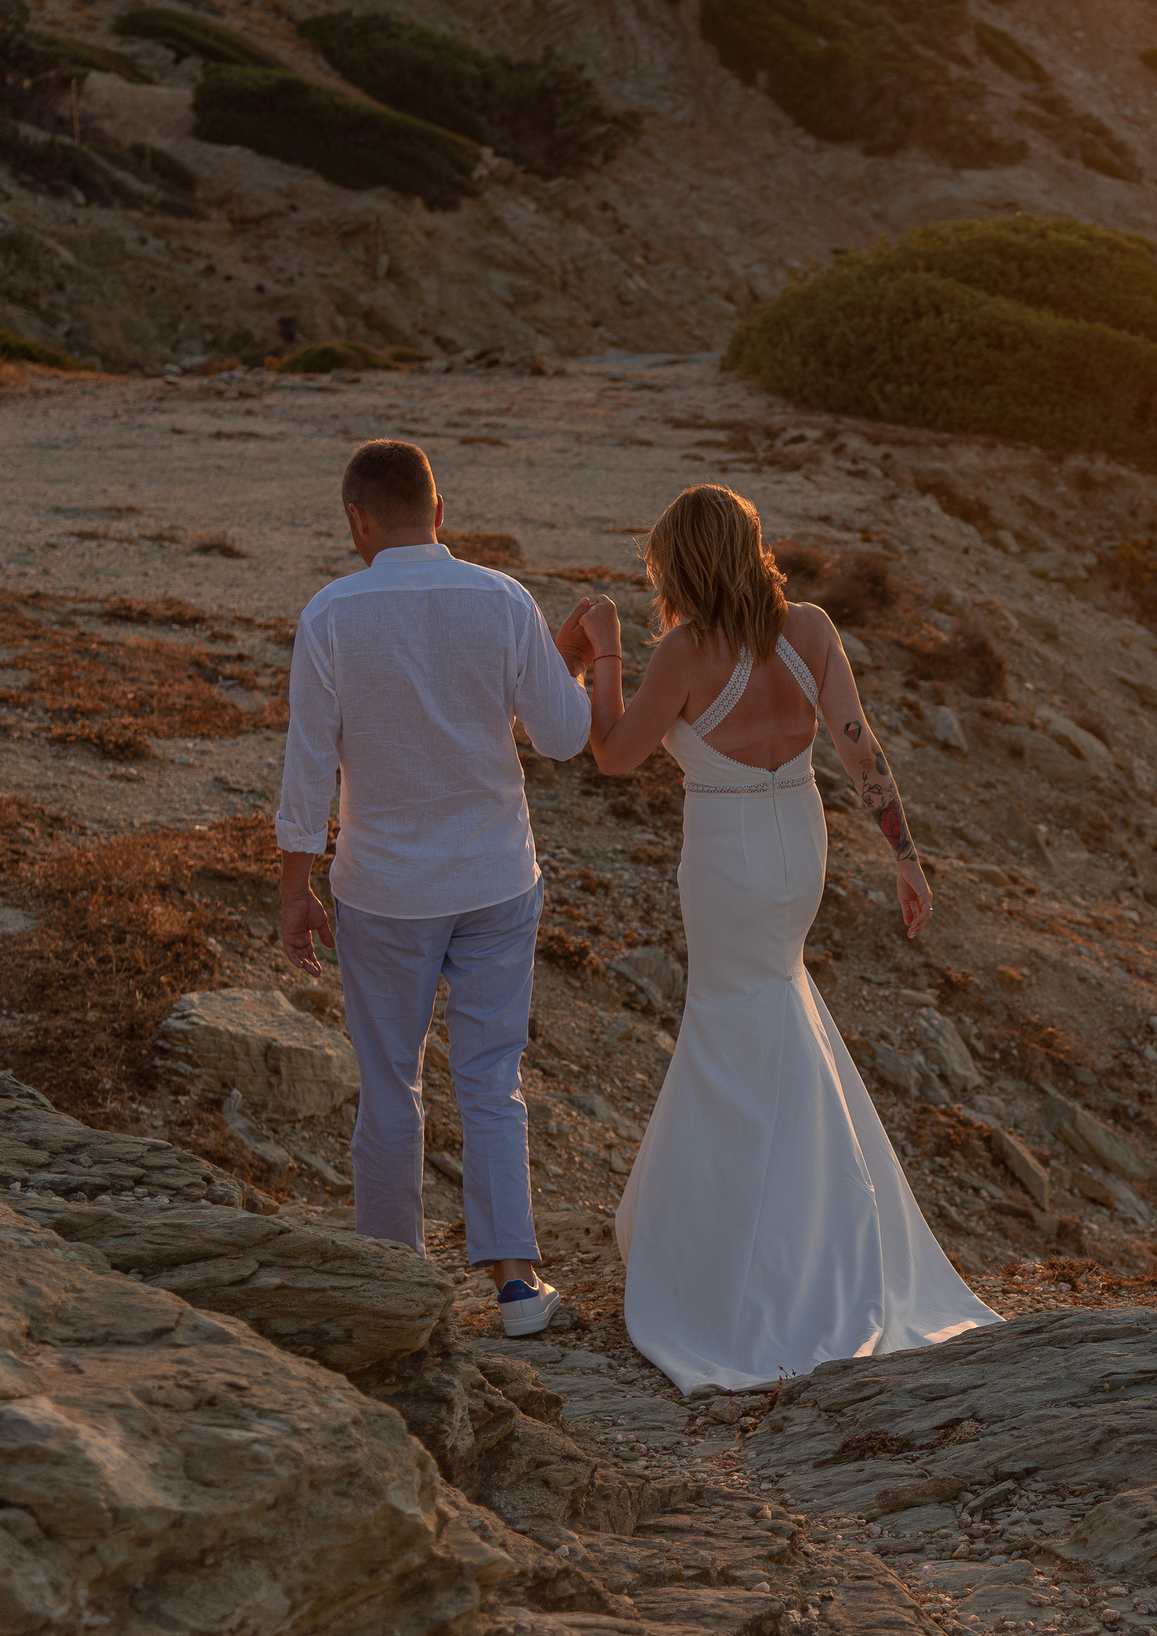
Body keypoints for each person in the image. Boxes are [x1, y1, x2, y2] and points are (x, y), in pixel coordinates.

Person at [571, 483, 1000, 1393]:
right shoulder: (809, 629)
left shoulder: (685, 652)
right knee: (773, 1008)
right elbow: (860, 750)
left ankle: (746, 1253)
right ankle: (805, 1222)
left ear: (681, 563)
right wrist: (906, 858)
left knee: (730, 1025)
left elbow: (612, 755)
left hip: (727, 857)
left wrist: (604, 652)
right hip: (800, 847)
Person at [276, 439, 596, 1338]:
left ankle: (394, 1275)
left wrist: (295, 888)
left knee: (390, 1082)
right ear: (440, 511)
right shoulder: (503, 599)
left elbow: (307, 765)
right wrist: (572, 657)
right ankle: (516, 1283)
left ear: (358, 519)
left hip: (383, 887)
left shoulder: (330, 614)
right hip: (496, 876)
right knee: (492, 1077)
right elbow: (564, 736)